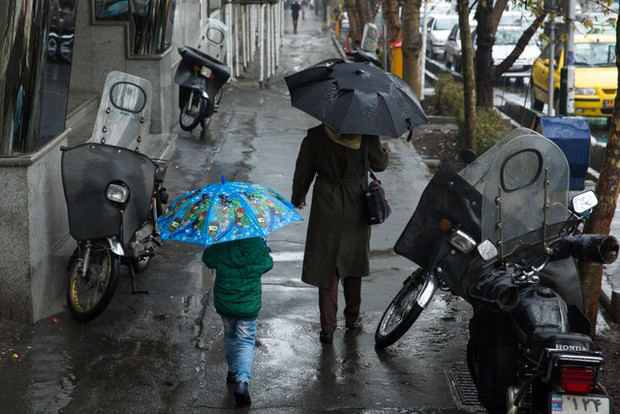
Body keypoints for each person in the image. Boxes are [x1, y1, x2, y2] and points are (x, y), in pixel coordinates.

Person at [291, 124, 389, 344]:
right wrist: (380, 147)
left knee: (327, 264)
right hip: (356, 202)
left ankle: (327, 328)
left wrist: (298, 196)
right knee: (354, 258)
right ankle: (352, 317)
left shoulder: (316, 135)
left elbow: (304, 168)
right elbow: (380, 164)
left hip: (325, 201)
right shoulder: (366, 132)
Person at [202, 237, 273, 406]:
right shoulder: (257, 243)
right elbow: (267, 264)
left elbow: (207, 259)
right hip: (248, 305)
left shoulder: (221, 241)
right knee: (246, 341)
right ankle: (242, 381)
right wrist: (265, 248)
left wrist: (212, 245)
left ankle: (232, 371)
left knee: (230, 335)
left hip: (226, 302)